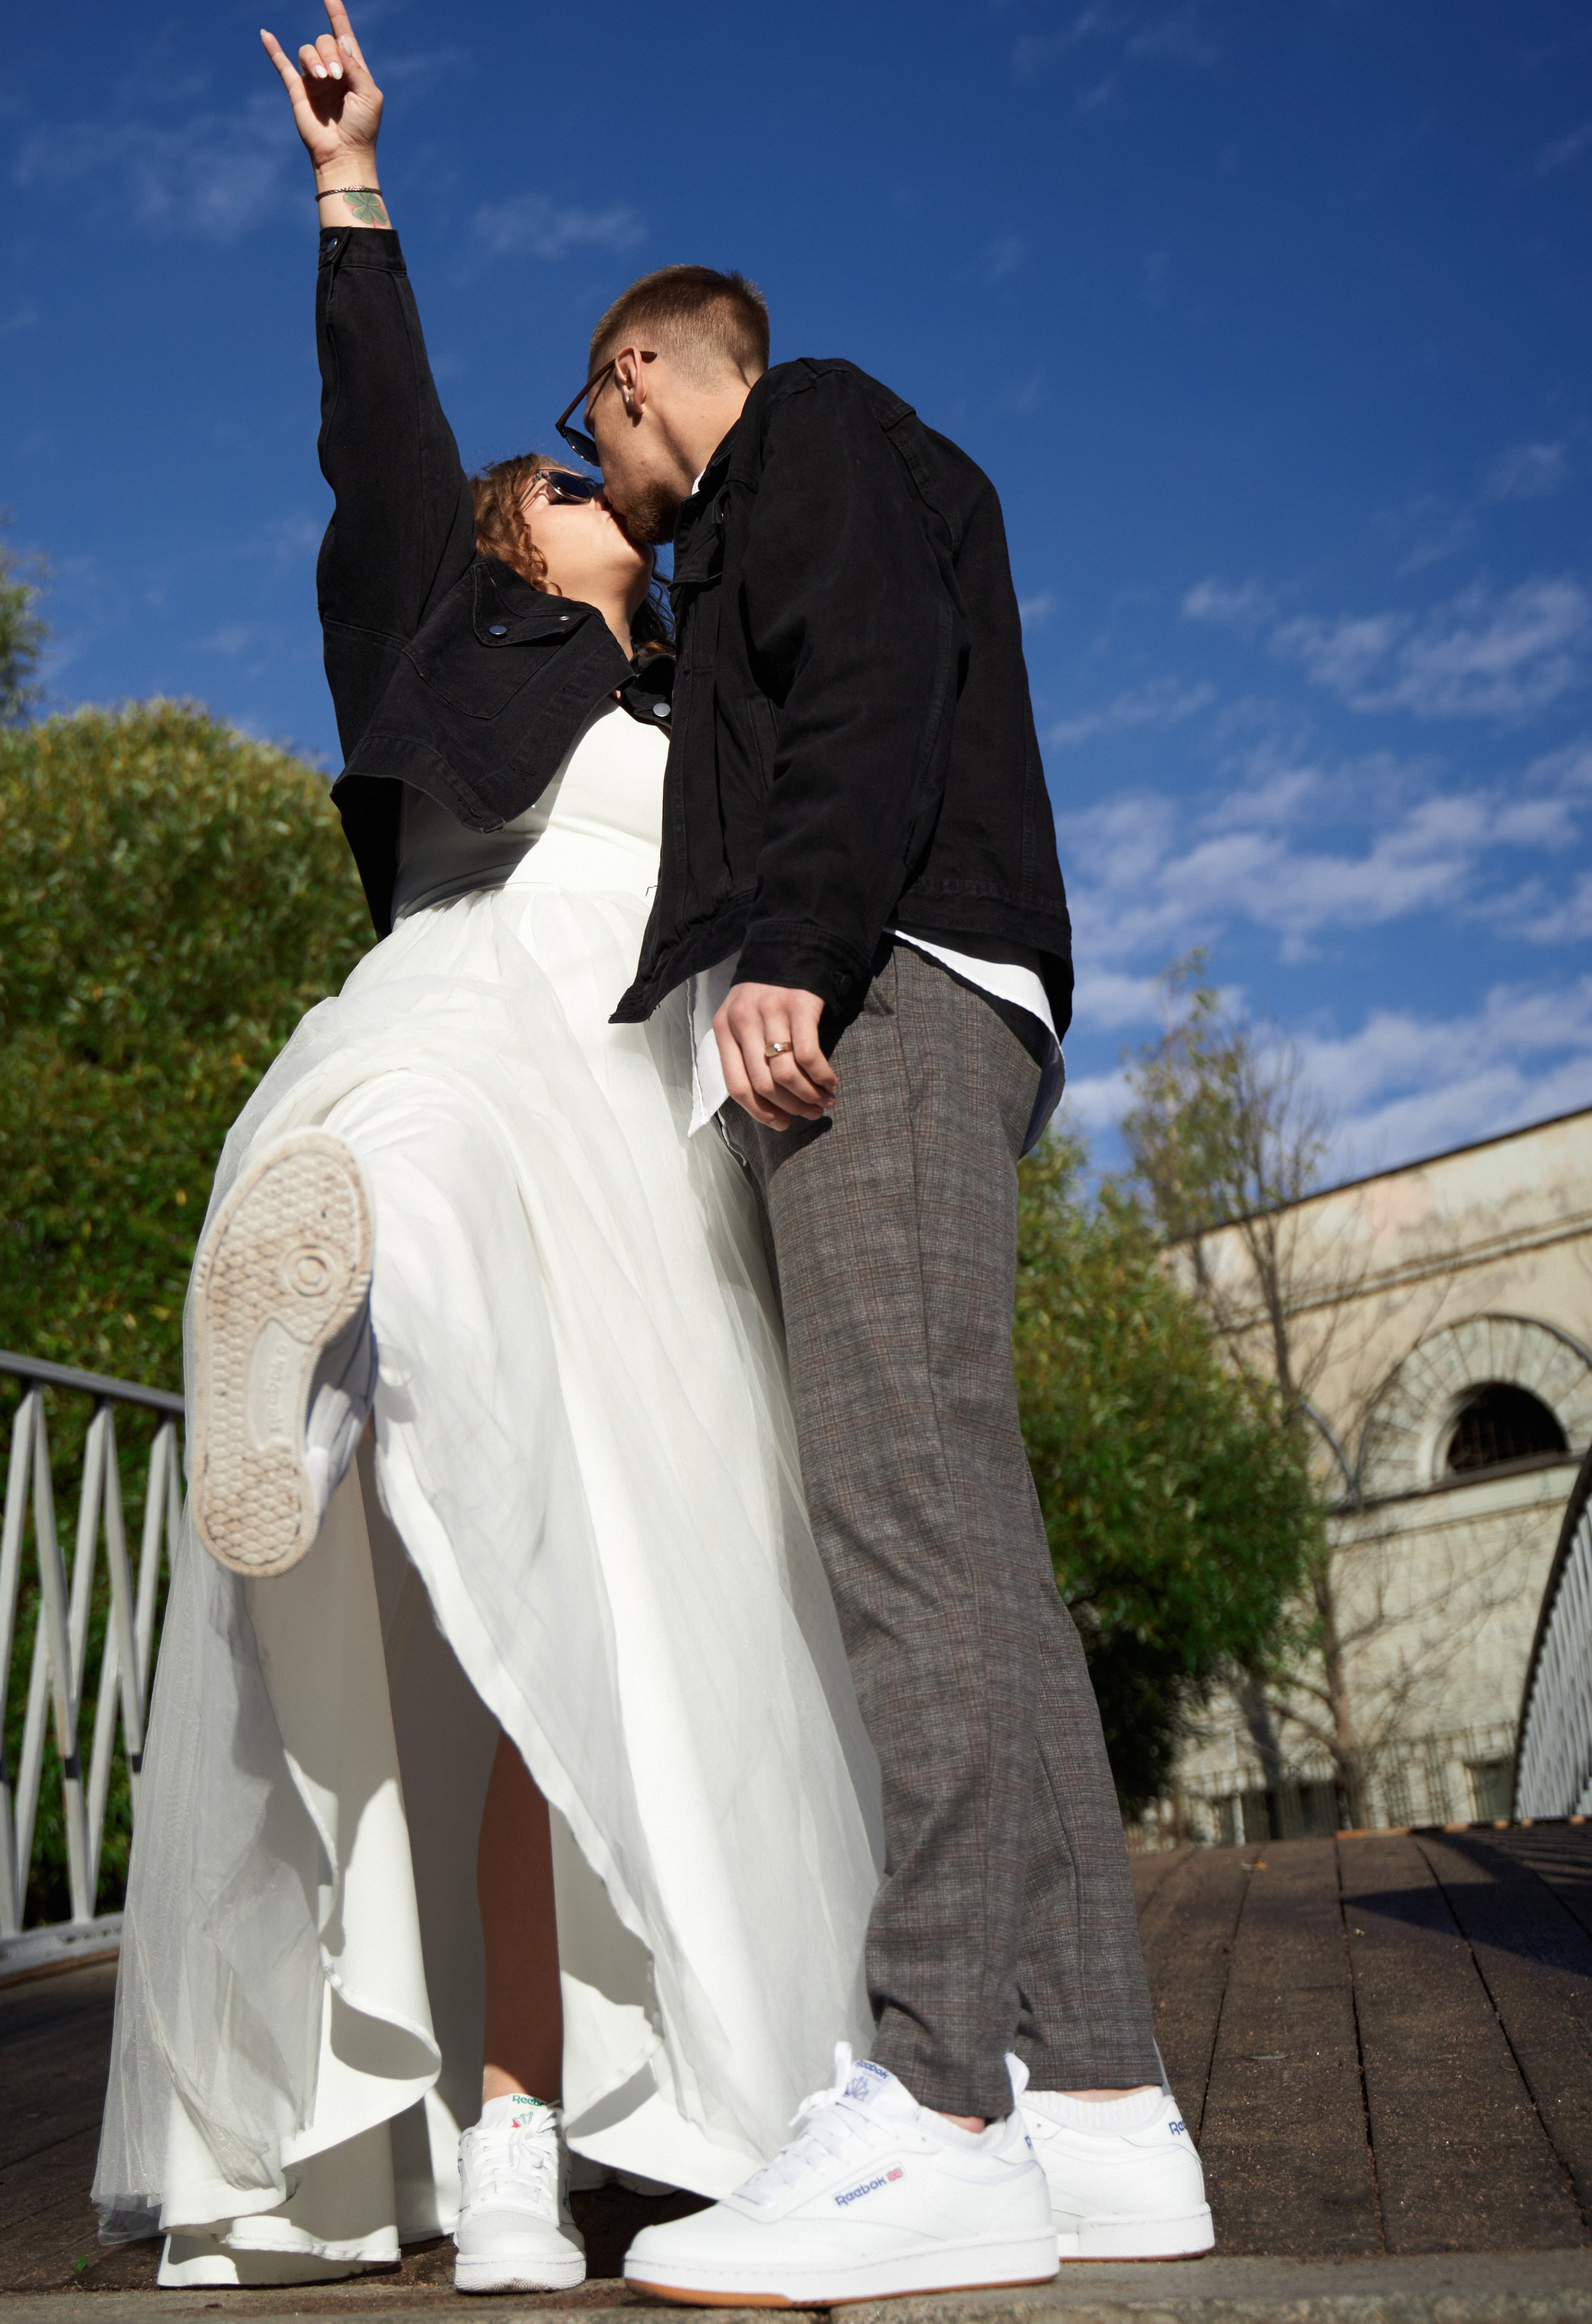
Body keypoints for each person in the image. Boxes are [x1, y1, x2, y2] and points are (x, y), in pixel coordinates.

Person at [93, 0, 884, 2295]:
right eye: (547, 483)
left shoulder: (698, 695)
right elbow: (387, 452)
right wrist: (353, 190)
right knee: (405, 1146)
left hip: (644, 1163)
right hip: (478, 1024)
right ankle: (318, 1360)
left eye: (593, 467)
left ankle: (580, 2138)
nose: (575, 484)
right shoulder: (451, 628)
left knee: (592, 1616)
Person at [553, 271, 1218, 2300]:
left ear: (643, 373)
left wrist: (801, 946)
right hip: (939, 995)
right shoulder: (815, 479)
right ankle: (1098, 2104)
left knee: (899, 1540)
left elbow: (869, 678)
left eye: (595, 425)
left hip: (886, 998)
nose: (603, 465)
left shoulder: (810, 431)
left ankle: (940, 2106)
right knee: (974, 1552)